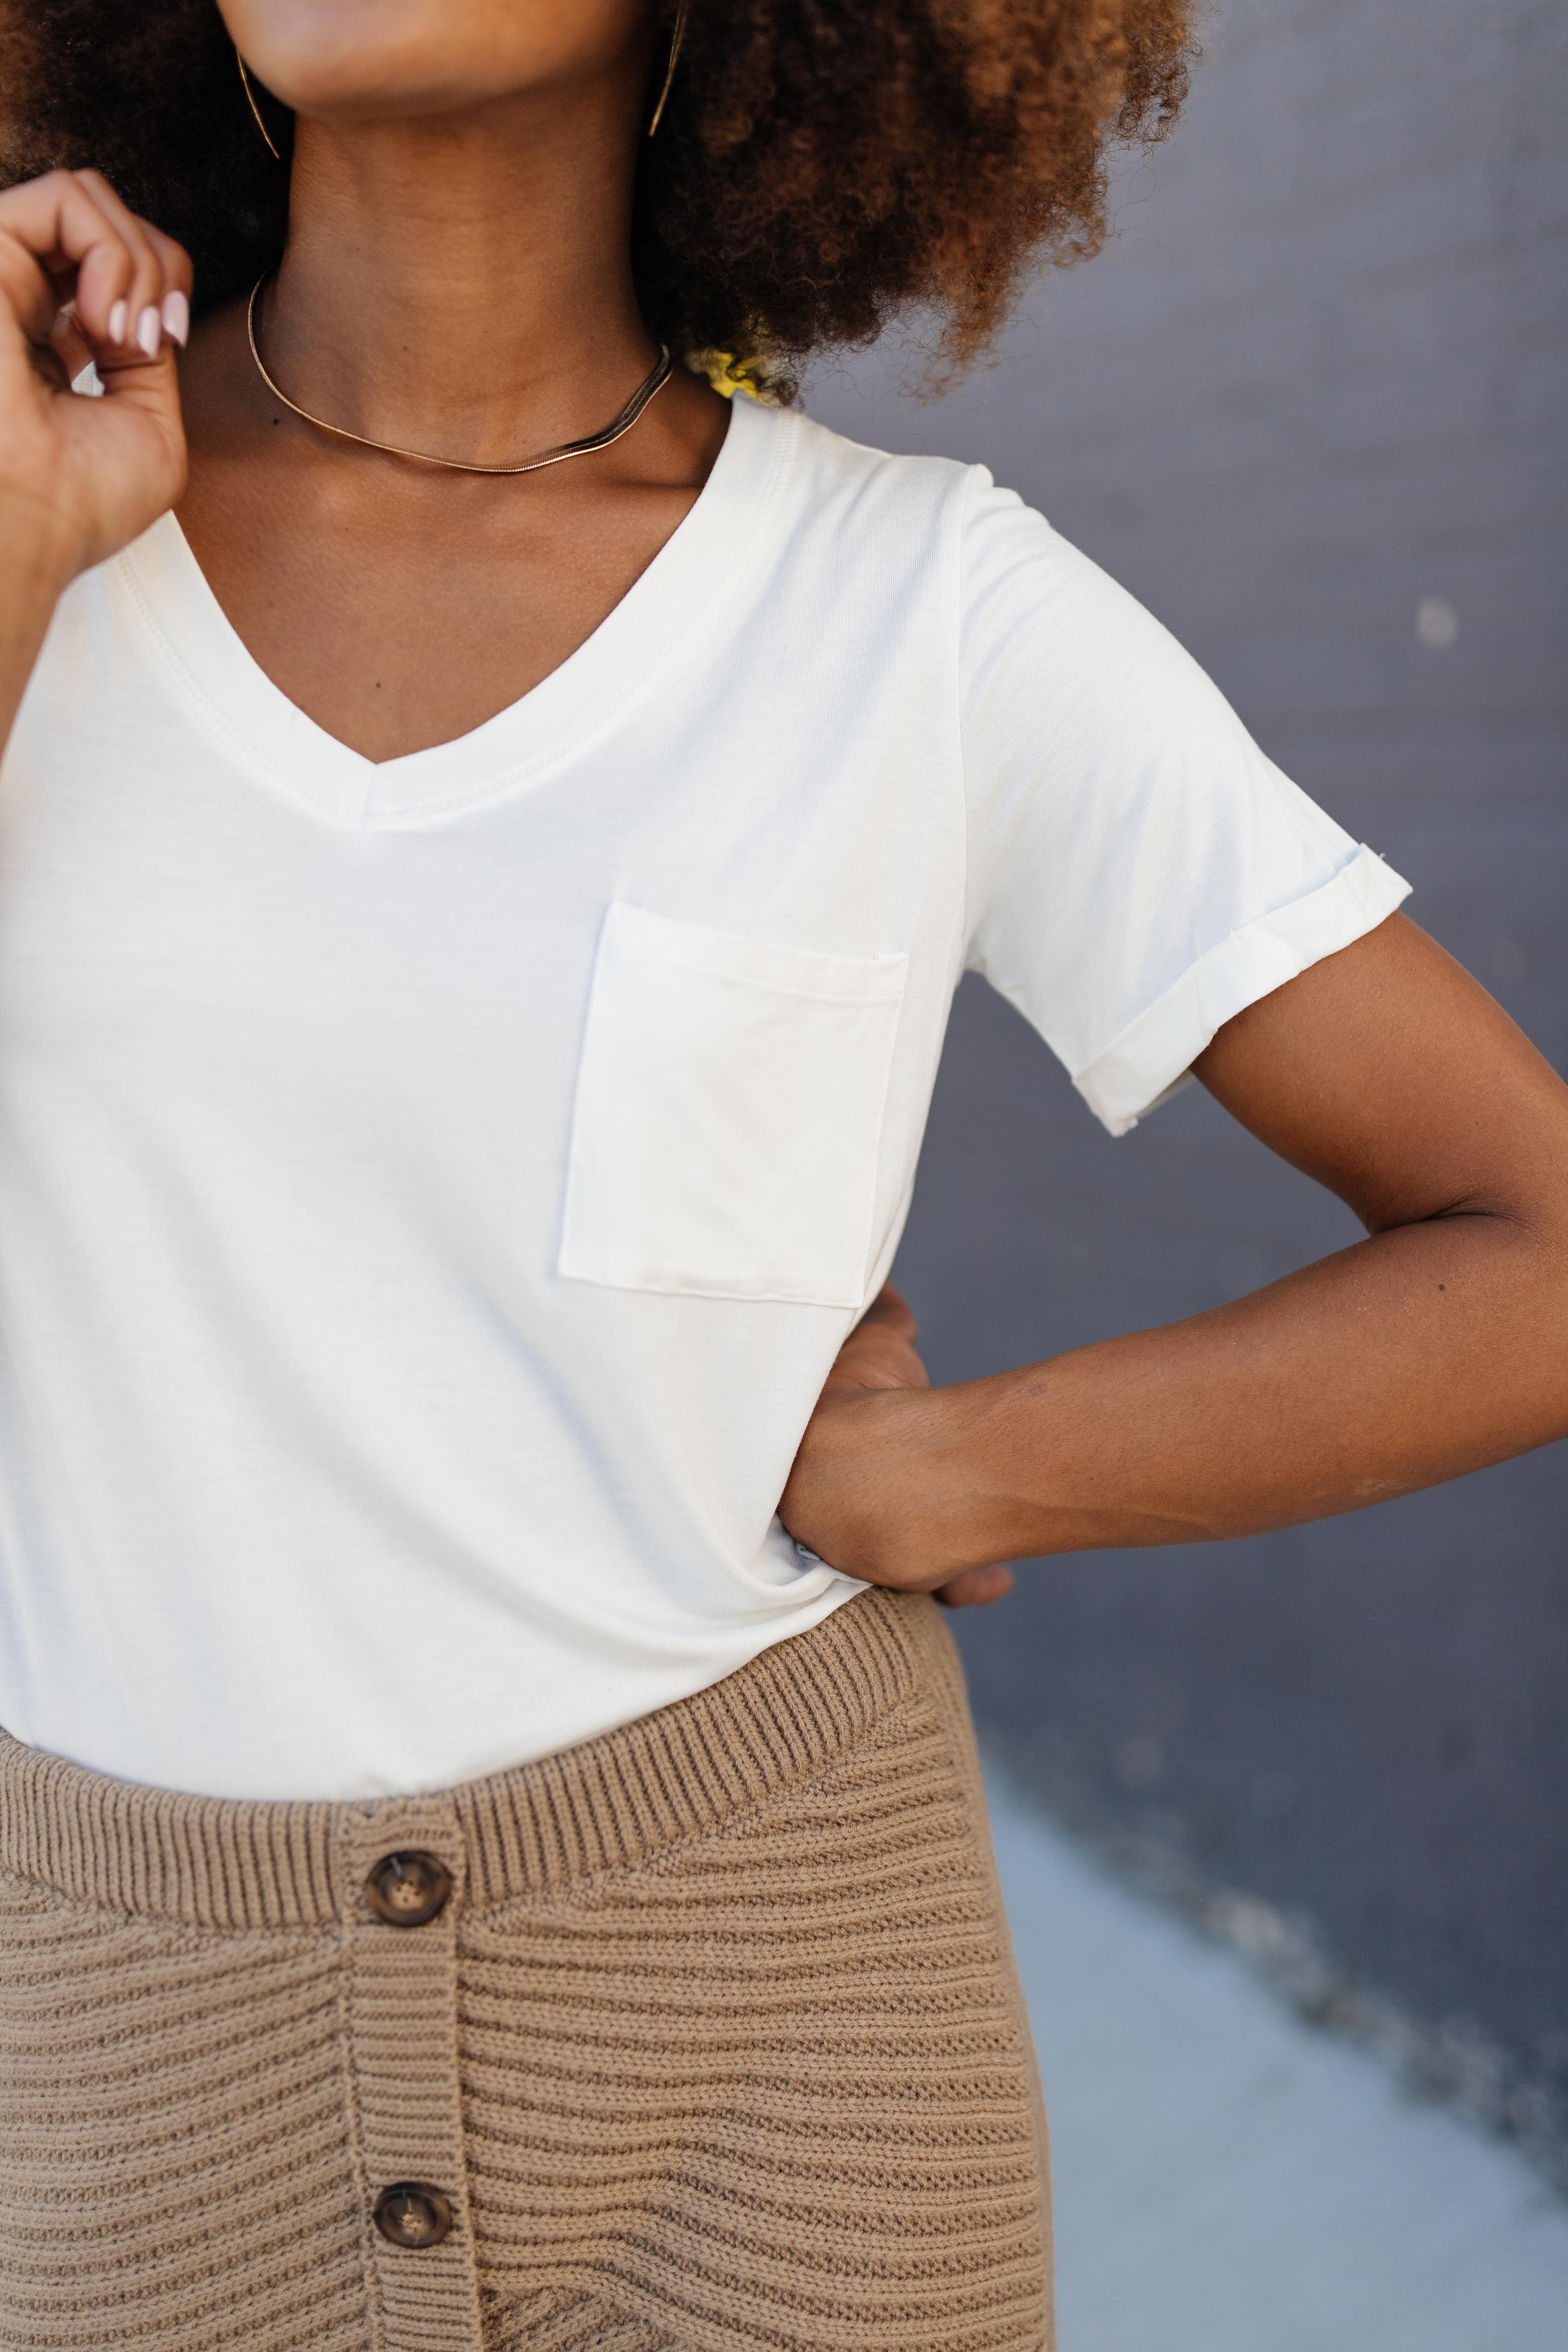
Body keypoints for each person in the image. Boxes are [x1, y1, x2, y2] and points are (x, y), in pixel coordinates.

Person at [0, 2, 1565, 2345]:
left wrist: (971, 1469)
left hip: (793, 2085)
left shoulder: (920, 614)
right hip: (115, 2097)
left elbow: (1526, 1237)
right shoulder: (37, 529)